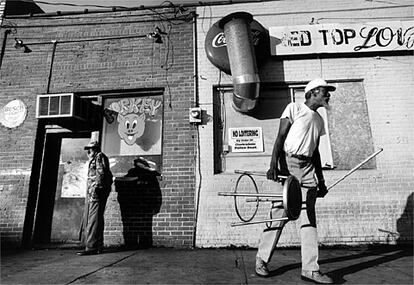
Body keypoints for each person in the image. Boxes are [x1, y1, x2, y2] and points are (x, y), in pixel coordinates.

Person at [255, 78, 336, 284]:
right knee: (280, 214)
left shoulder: (319, 120)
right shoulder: (294, 107)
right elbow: (281, 137)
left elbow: (316, 151)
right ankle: (262, 259)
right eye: (325, 92)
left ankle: (310, 269)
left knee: (309, 219)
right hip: (288, 164)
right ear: (312, 92)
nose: (328, 95)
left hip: (308, 168)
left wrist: (322, 180)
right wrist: (273, 165)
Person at [77, 140, 113, 256]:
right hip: (97, 191)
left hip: (97, 192)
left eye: (90, 149)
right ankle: (98, 245)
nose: (88, 152)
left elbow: (101, 173)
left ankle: (91, 246)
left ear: (95, 149)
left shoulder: (99, 157)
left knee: (93, 219)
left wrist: (96, 188)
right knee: (97, 218)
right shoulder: (97, 157)